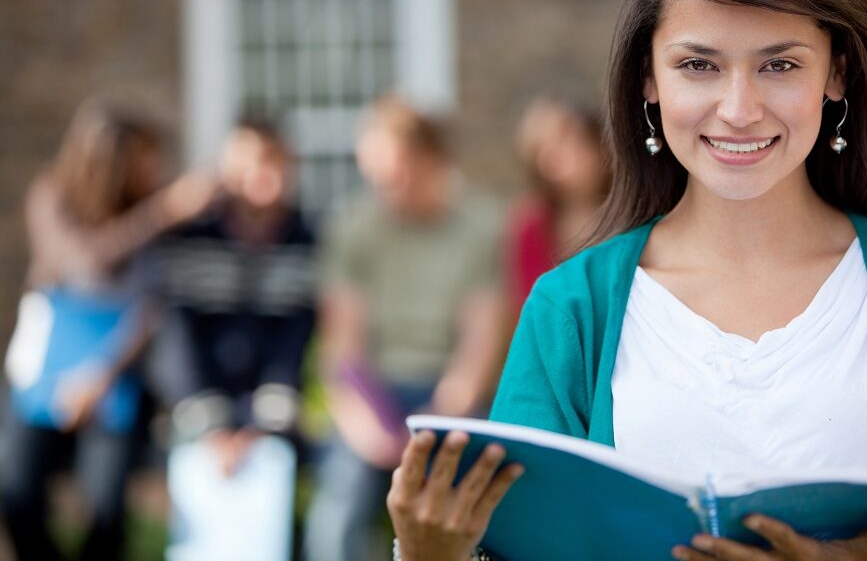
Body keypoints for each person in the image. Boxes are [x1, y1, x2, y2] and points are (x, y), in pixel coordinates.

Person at [386, 0, 867, 560]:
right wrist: (432, 554)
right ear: (648, 80)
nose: (739, 109)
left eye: (780, 64)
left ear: (838, 72)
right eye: (698, 65)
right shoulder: (572, 310)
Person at [0, 94, 214, 561]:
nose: (156, 167)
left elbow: (151, 310)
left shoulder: (156, 218)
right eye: (145, 155)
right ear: (112, 157)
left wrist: (98, 377)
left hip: (115, 374)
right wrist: (161, 214)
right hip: (44, 371)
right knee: (15, 493)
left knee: (105, 513)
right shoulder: (54, 196)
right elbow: (84, 261)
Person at [306, 98, 505, 561]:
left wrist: (439, 418)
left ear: (434, 161)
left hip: (452, 397)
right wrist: (364, 428)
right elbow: (343, 346)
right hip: (375, 392)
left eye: (397, 172)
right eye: (375, 174)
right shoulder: (353, 226)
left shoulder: (483, 227)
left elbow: (479, 345)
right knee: (337, 512)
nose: (386, 188)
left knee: (484, 500)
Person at [150, 117, 316, 472]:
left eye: (272, 160)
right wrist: (213, 427)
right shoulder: (191, 239)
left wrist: (260, 429)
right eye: (250, 162)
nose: (261, 173)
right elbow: (176, 337)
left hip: (271, 409)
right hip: (197, 404)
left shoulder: (304, 242)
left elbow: (295, 341)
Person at [505, 96, 611, 317]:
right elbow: (528, 310)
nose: (553, 155)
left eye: (566, 140)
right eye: (542, 147)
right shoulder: (530, 226)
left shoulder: (632, 215)